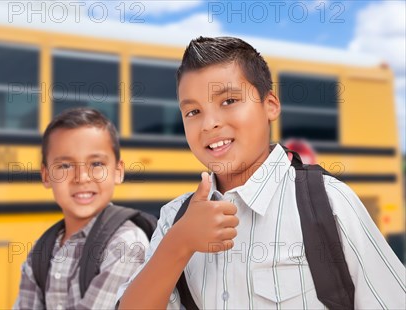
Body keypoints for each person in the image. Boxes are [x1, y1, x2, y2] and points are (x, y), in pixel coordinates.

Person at [118, 36, 405, 309]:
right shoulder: (175, 218)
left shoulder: (328, 203)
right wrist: (178, 244)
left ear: (270, 105)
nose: (209, 124)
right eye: (193, 112)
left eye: (228, 101)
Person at [14, 108, 150, 309]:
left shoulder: (126, 245)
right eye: (65, 166)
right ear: (45, 176)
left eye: (96, 163)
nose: (82, 177)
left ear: (118, 172)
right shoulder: (41, 250)